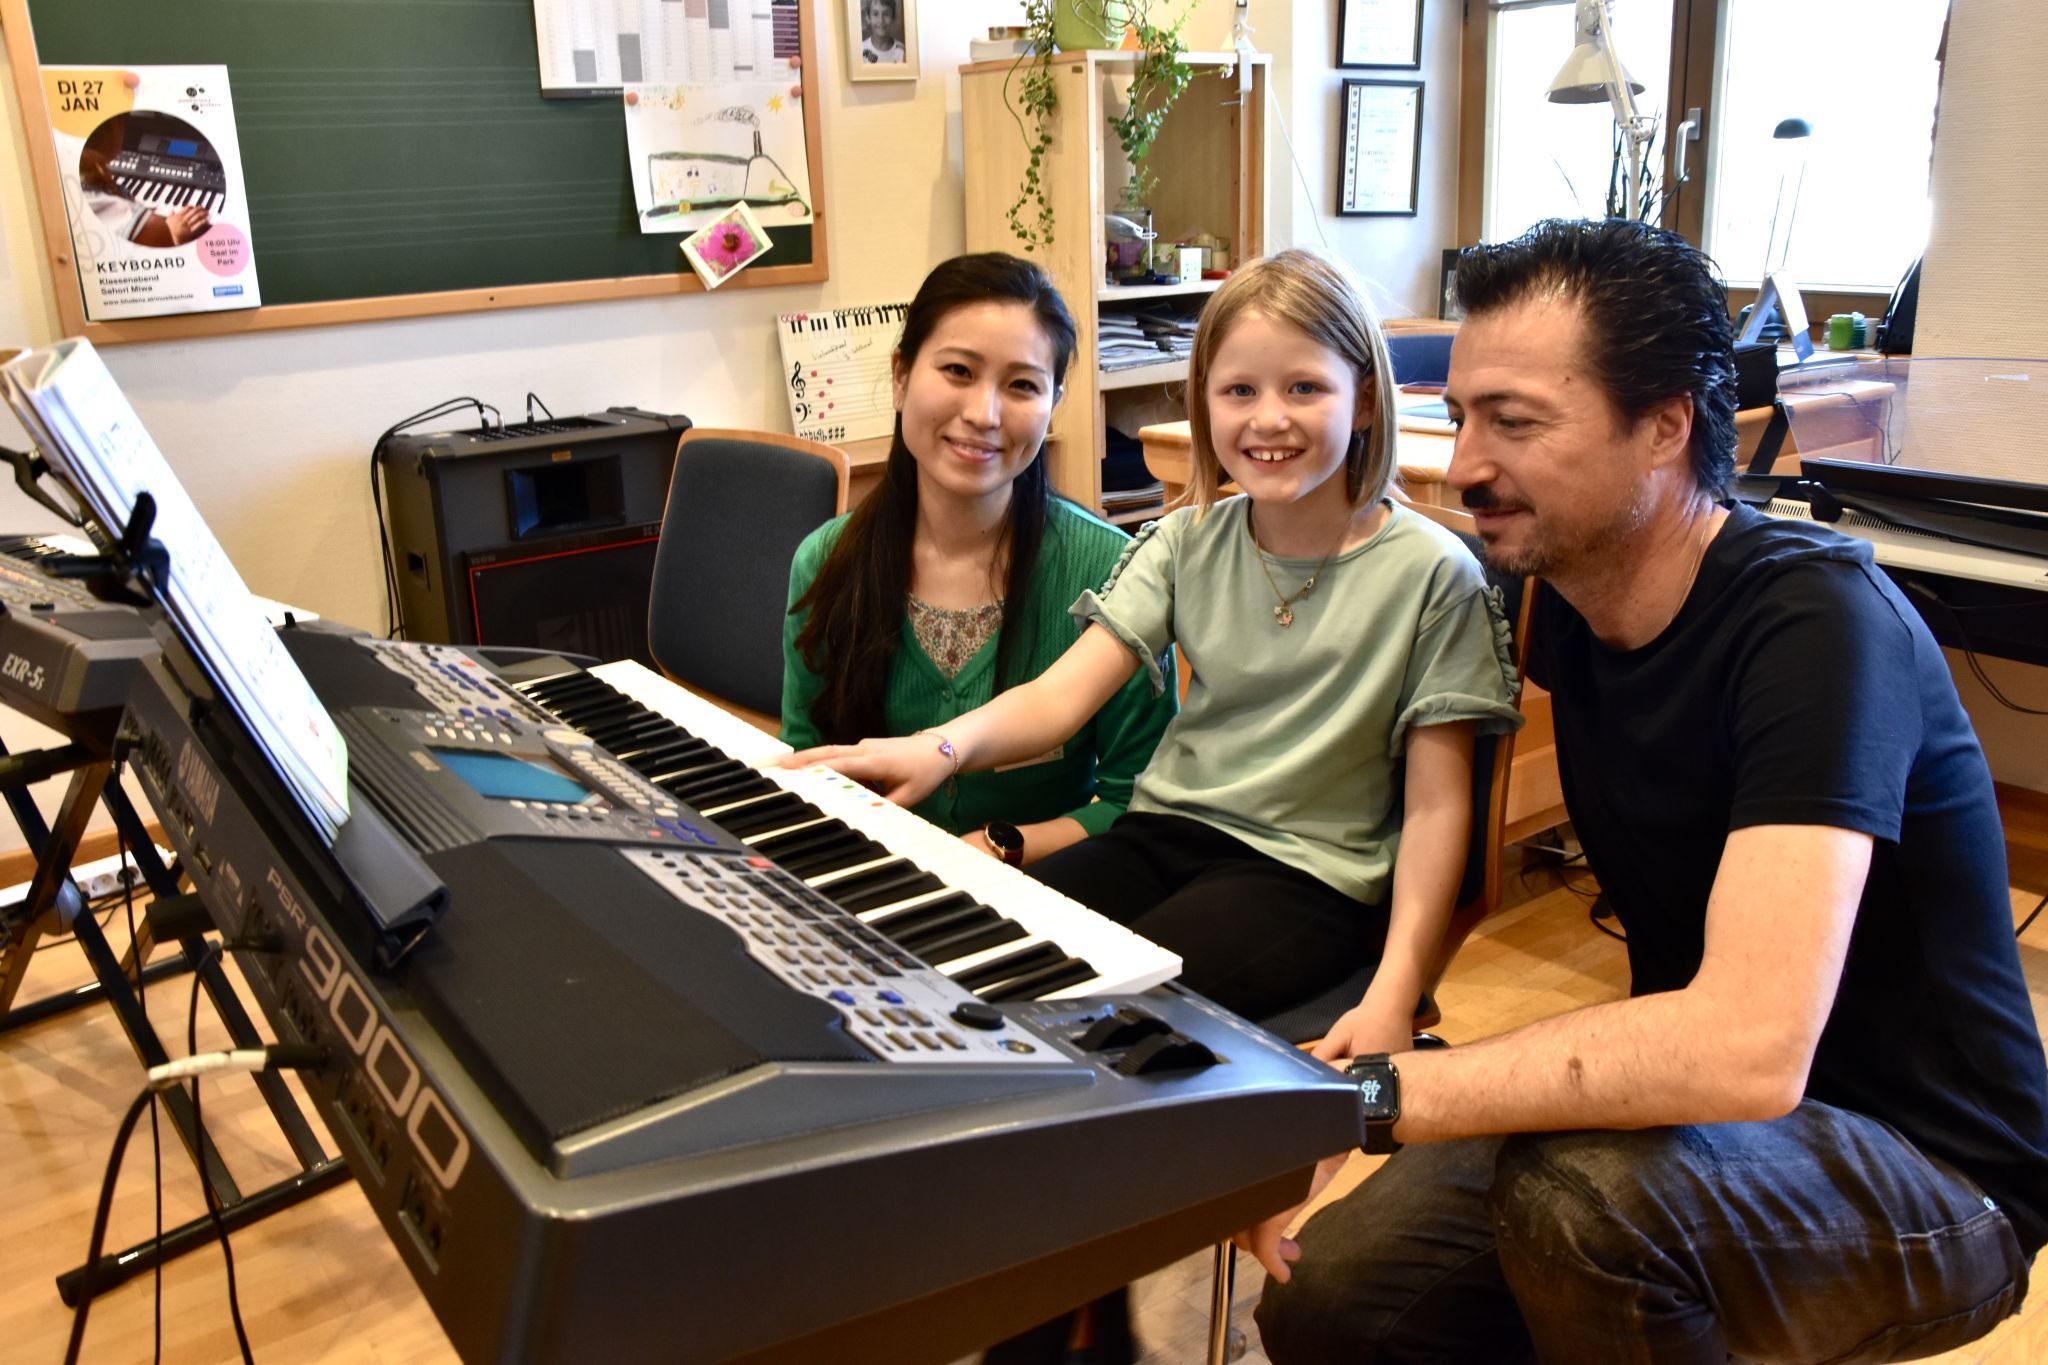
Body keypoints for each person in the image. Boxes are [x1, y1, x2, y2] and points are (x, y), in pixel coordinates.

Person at [1249, 217, 2048, 1364]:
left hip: (1928, 1171)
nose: (1466, 462)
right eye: (1461, 412)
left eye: (1513, 422)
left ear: (1665, 424)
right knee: (1328, 1297)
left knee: (1586, 1208)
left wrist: (1370, 1100)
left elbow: (1744, 1048)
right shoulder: (1559, 596)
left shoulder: (1814, 626)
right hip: (1687, 1134)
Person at [789, 246, 1522, 1040]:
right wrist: (940, 749)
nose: (1268, 418)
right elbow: (1057, 699)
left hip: (1311, 875)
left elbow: (1440, 806)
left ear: (1368, 401)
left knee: (1099, 1018)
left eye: (1304, 387)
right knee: (980, 953)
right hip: (1163, 835)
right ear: (1204, 402)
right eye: (1239, 390)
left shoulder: (1433, 574)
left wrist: (1394, 987)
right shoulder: (1186, 538)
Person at [782, 252, 1174, 866]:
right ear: (900, 376)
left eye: (1021, 385)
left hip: (1045, 889)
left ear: (1055, 402)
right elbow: (807, 769)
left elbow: (1140, 804)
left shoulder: (1115, 574)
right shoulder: (827, 562)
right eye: (959, 371)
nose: (984, 415)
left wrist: (1000, 849)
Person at [861, 0, 905, 64]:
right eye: (875, 14)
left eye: (886, 14)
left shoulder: (902, 52)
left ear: (893, 17)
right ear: (868, 18)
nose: (881, 20)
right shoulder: (861, 49)